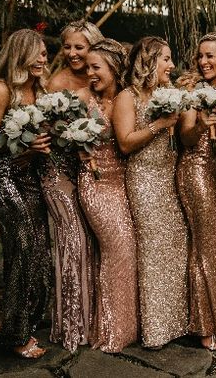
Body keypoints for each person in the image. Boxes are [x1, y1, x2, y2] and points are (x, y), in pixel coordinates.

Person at [0, 29, 52, 358]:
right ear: (20, 54)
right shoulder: (1, 89)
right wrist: (23, 142)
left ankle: (10, 320)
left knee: (35, 251)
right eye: (37, 53)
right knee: (21, 248)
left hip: (30, 177)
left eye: (45, 54)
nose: (43, 58)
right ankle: (17, 337)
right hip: (3, 177)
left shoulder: (41, 89)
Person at [112, 36, 189, 348]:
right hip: (144, 179)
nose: (171, 66)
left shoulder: (166, 94)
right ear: (149, 61)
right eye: (166, 59)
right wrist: (160, 124)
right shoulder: (127, 98)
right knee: (153, 248)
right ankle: (155, 329)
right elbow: (126, 142)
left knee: (177, 241)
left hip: (170, 175)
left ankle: (176, 323)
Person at [43, 21, 103, 352]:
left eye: (79, 47)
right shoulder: (57, 82)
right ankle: (69, 325)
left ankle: (93, 321)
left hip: (92, 175)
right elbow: (47, 131)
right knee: (72, 242)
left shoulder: (100, 78)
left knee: (91, 245)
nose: (72, 53)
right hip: (58, 172)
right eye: (67, 47)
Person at [75, 39, 138, 353]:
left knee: (128, 251)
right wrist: (77, 150)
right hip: (95, 184)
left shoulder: (128, 100)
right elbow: (61, 134)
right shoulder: (81, 100)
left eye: (95, 67)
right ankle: (111, 329)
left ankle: (127, 327)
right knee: (119, 247)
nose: (90, 73)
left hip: (124, 183)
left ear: (113, 68)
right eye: (88, 68)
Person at [176, 32, 216, 351]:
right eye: (200, 56)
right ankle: (203, 325)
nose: (203, 61)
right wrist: (202, 124)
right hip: (197, 170)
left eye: (210, 55)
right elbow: (185, 137)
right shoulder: (192, 93)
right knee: (205, 246)